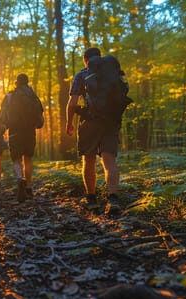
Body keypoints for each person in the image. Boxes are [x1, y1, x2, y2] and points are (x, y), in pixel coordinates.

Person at [65, 47, 123, 216]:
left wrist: (69, 122)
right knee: (109, 160)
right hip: (111, 122)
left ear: (86, 59)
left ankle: (91, 200)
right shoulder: (112, 73)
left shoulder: (82, 75)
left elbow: (72, 103)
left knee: (88, 160)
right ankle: (113, 199)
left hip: (90, 122)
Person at [0, 73, 44, 202]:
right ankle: (29, 188)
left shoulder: (9, 97)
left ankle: (20, 178)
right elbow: (40, 119)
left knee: (17, 159)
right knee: (28, 159)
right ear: (27, 82)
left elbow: (2, 116)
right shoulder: (33, 96)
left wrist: (4, 127)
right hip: (30, 132)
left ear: (16, 83)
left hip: (14, 132)